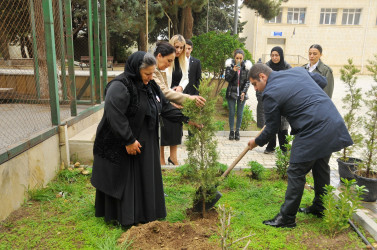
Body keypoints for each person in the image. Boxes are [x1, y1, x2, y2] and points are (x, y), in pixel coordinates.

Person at [91, 51, 195, 227]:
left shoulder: (150, 86)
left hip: (145, 143)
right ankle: (125, 217)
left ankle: (145, 214)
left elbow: (164, 107)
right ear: (135, 69)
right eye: (147, 73)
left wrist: (186, 118)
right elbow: (114, 114)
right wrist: (128, 140)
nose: (149, 77)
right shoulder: (120, 86)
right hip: (122, 144)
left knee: (144, 179)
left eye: (152, 73)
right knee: (126, 181)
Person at [247, 64, 353, 228]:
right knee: (320, 166)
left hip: (312, 128)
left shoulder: (269, 94)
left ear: (263, 76)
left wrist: (256, 141)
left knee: (296, 171)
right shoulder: (296, 71)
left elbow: (272, 128)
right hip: (331, 120)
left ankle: (287, 217)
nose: (256, 89)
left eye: (255, 84)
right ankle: (320, 206)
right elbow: (322, 81)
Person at [153, 41, 206, 165]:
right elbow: (165, 93)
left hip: (171, 103)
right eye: (169, 61)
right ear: (159, 56)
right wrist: (189, 98)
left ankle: (171, 159)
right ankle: (161, 161)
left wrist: (188, 118)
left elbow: (165, 93)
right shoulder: (153, 71)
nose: (169, 64)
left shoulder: (158, 70)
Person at [160, 35, 188, 166]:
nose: (179, 50)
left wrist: (180, 87)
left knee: (176, 126)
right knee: (163, 129)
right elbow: (162, 84)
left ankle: (173, 157)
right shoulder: (166, 60)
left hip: (178, 98)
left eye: (181, 48)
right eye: (176, 47)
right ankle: (161, 159)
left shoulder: (184, 61)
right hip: (164, 99)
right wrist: (170, 96)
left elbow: (186, 78)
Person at [263, 46, 291, 154]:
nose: (274, 57)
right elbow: (261, 82)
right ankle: (271, 146)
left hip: (284, 101)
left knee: (283, 126)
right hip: (271, 100)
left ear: (281, 55)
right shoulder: (266, 67)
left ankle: (284, 148)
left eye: (277, 55)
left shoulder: (287, 66)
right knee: (271, 124)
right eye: (272, 55)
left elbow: (292, 82)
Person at [225, 49, 251, 141]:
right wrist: (233, 70)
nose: (239, 60)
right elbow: (227, 79)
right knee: (232, 113)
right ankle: (231, 131)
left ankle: (237, 131)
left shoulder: (246, 67)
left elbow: (248, 81)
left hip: (242, 93)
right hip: (231, 92)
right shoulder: (230, 65)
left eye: (241, 58)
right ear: (234, 58)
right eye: (237, 58)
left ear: (243, 58)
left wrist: (244, 92)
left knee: (240, 113)